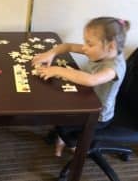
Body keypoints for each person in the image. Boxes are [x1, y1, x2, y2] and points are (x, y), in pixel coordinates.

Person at [32, 16, 130, 157]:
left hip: (97, 115)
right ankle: (64, 136)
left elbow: (91, 80)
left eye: (89, 44)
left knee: (61, 123)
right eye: (85, 42)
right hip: (84, 98)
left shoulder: (113, 68)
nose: (84, 48)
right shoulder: (101, 51)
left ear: (111, 46)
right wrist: (50, 54)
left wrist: (57, 70)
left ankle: (73, 145)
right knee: (59, 111)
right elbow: (67, 46)